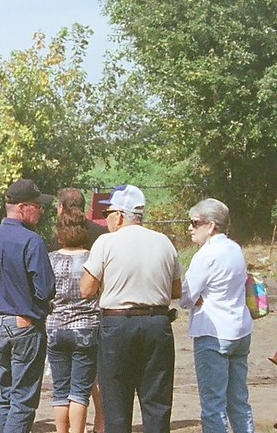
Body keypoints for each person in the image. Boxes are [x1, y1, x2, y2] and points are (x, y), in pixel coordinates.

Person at [79, 185, 182, 433]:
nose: (106, 220)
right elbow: (176, 291)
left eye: (108, 213)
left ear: (121, 215)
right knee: (156, 401)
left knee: (116, 402)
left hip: (117, 325)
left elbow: (86, 288)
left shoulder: (106, 242)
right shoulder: (164, 242)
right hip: (157, 323)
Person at [0, 179, 55, 433]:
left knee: (2, 398)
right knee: (23, 400)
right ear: (22, 208)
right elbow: (46, 290)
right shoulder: (33, 242)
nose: (41, 210)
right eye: (37, 206)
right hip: (24, 325)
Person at [179, 198, 253, 433]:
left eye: (194, 223)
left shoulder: (206, 254)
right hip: (240, 329)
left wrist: (196, 298)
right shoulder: (235, 248)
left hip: (213, 333)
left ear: (210, 226)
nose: (189, 228)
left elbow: (186, 296)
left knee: (213, 404)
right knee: (238, 400)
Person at [46, 194, 99, 433]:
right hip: (86, 327)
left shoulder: (50, 259)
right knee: (79, 391)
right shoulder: (93, 258)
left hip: (56, 327)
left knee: (60, 390)